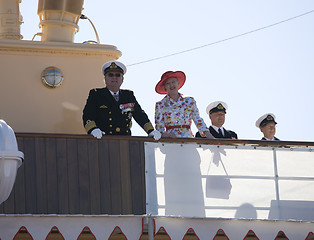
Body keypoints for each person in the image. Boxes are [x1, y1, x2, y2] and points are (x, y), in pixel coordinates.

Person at [82, 60, 161, 140]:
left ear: (122, 79)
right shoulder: (96, 94)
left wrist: (150, 131)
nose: (114, 77)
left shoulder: (128, 95)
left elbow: (139, 115)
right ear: (105, 78)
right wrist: (93, 129)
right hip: (103, 140)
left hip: (125, 141)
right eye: (110, 75)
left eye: (118, 75)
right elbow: (88, 115)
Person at [154, 71, 214, 138]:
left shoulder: (189, 101)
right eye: (168, 83)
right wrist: (167, 135)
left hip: (188, 139)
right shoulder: (160, 105)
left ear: (178, 83)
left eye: (173, 82)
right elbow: (159, 128)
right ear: (165, 87)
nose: (171, 85)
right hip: (170, 141)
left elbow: (197, 119)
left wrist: (207, 133)